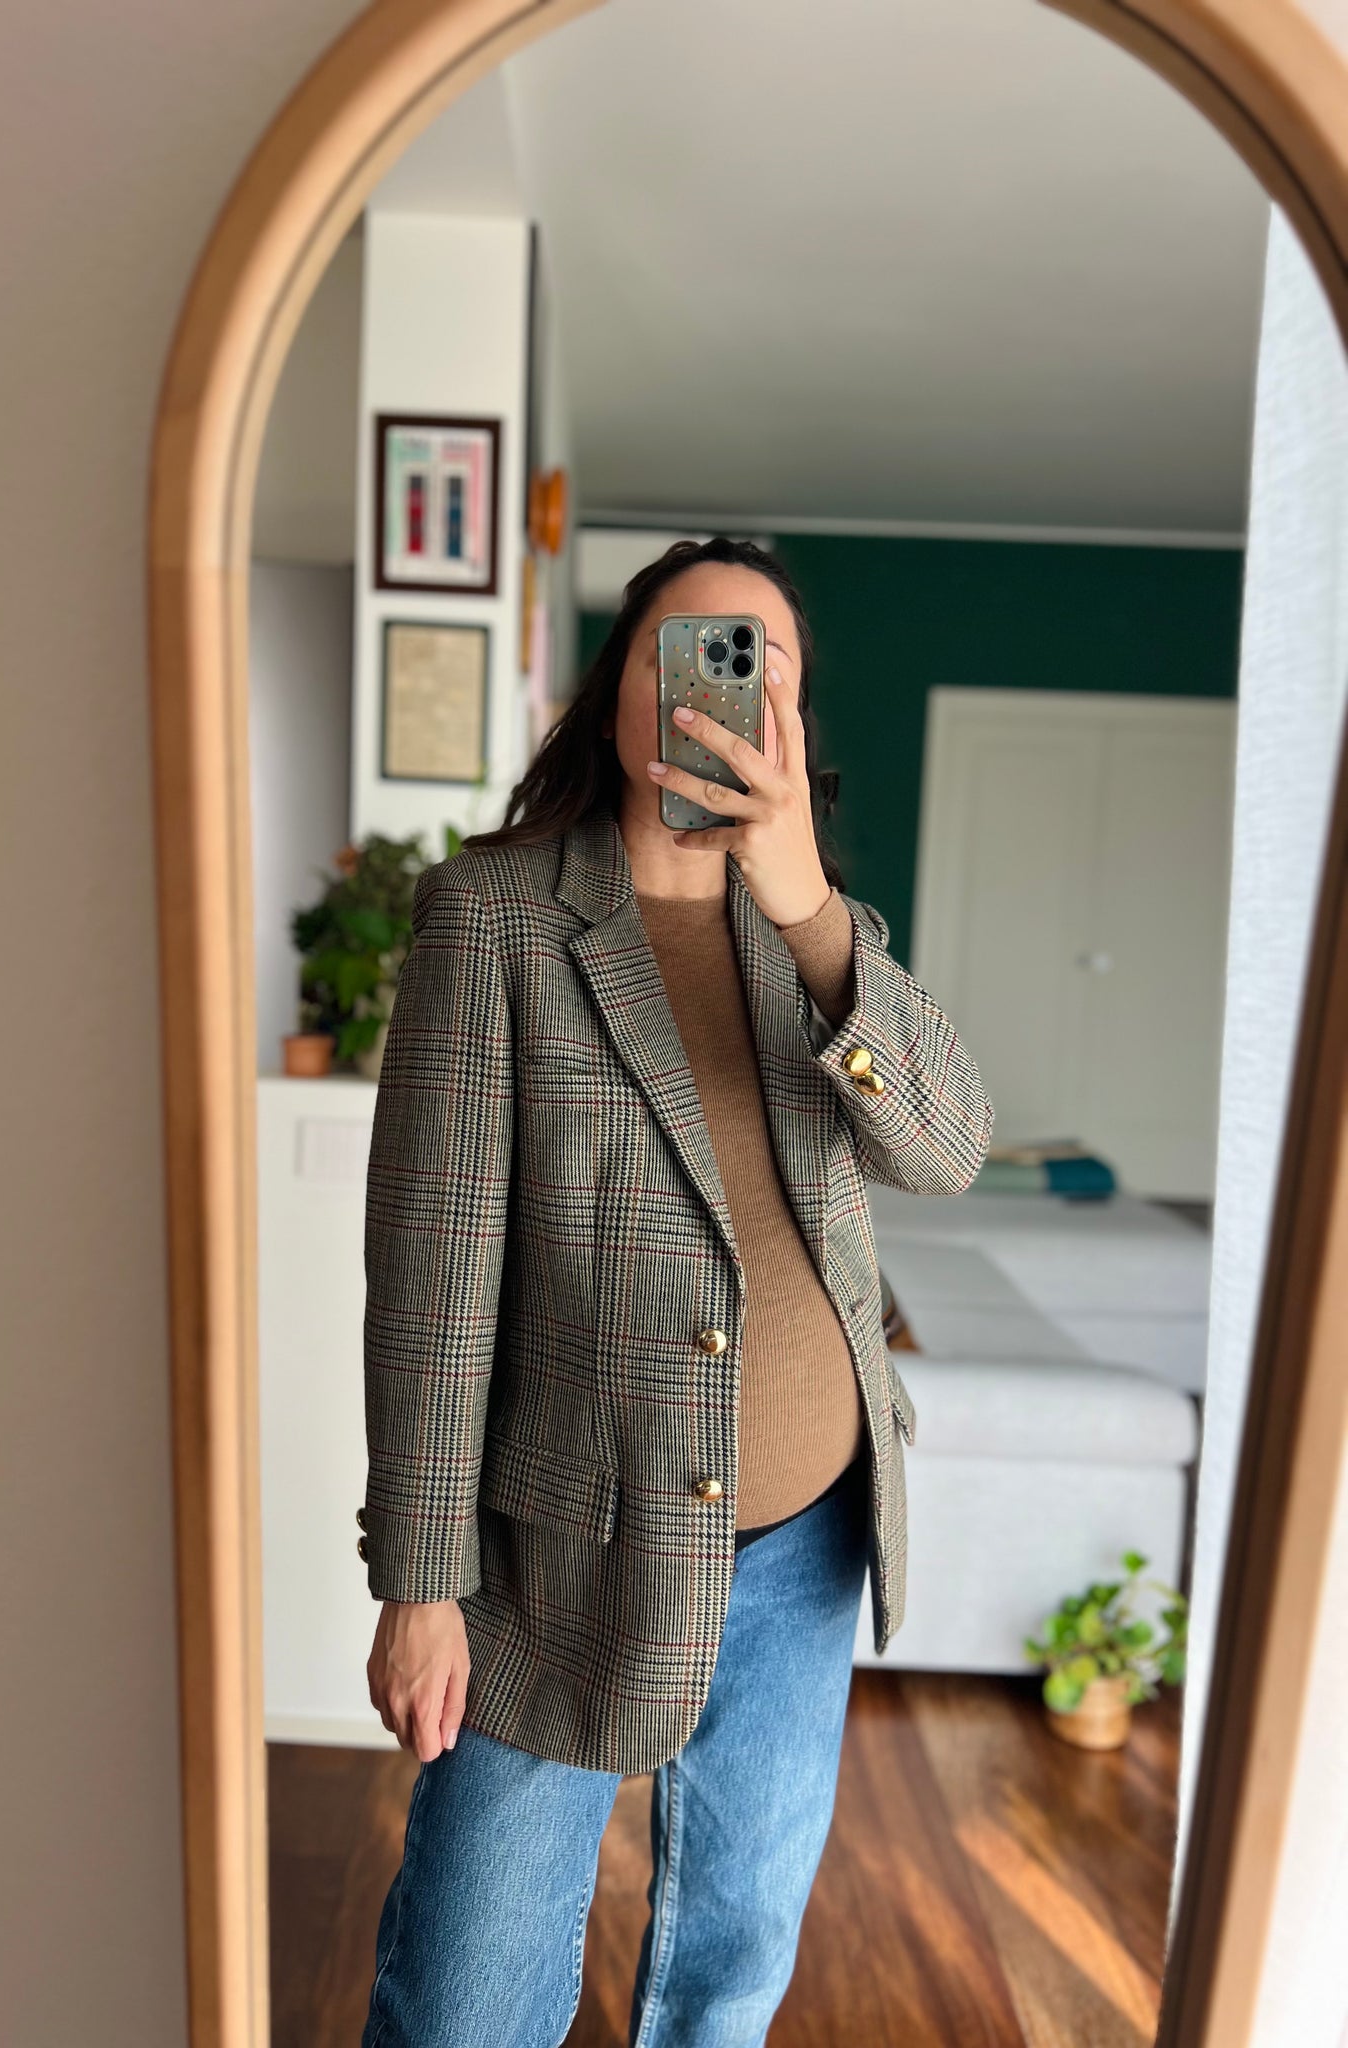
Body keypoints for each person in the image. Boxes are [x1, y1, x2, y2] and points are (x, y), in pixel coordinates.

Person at [354, 537, 993, 2047]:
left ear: (792, 716)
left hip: (808, 1543)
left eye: (758, 664)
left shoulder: (820, 937)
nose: (717, 689)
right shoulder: (498, 918)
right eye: (686, 650)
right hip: (558, 1559)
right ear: (620, 687)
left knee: (727, 1980)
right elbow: (433, 1282)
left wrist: (806, 903)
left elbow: (951, 1147)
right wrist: (419, 1584)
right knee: (465, 2001)